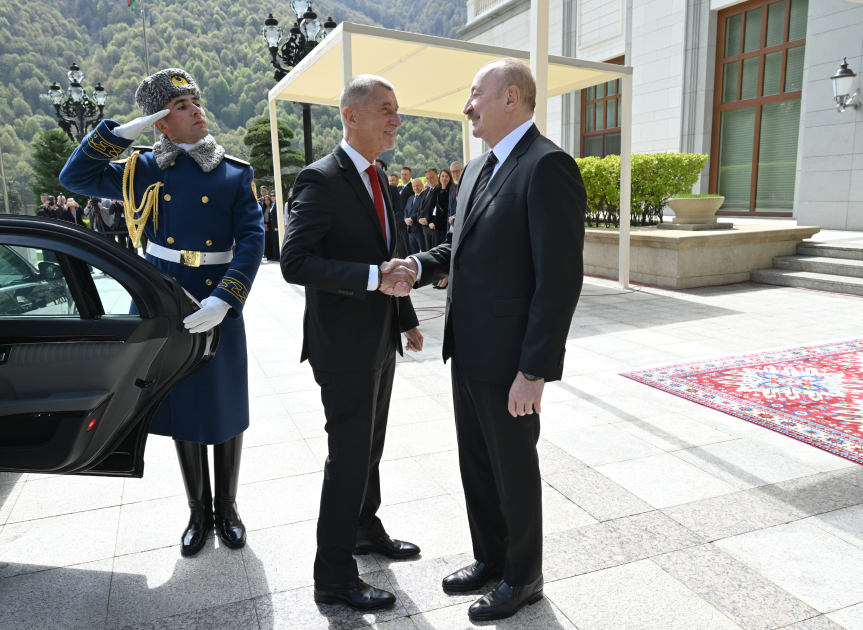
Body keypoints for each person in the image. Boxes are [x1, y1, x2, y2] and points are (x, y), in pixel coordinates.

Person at [383, 58, 586, 621]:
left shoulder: (548, 167)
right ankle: (490, 559)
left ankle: (524, 578)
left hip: (511, 361)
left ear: (511, 99)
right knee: (476, 463)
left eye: (476, 95)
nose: (467, 105)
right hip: (466, 350)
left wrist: (535, 370)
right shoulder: (477, 171)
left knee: (514, 471)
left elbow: (559, 280)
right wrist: (417, 266)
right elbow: (462, 250)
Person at [60, 67, 265, 558]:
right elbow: (75, 176)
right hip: (166, 296)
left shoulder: (235, 172)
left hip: (214, 296)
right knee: (185, 403)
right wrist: (118, 132)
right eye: (181, 106)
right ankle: (198, 510)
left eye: (196, 102)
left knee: (223, 402)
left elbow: (253, 238)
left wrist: (227, 297)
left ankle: (228, 508)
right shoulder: (142, 167)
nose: (197, 111)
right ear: (160, 123)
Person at [281, 74, 424, 612]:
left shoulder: (379, 178)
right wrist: (370, 277)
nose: (396, 119)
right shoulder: (320, 179)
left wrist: (403, 315)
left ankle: (365, 529)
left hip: (379, 338)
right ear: (351, 116)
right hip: (341, 347)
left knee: (371, 448)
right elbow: (296, 262)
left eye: (397, 109)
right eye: (386, 108)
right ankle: (334, 576)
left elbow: (391, 253)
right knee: (348, 457)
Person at [417, 168, 441, 250]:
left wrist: (428, 219)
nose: (429, 180)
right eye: (427, 178)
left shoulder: (439, 191)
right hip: (424, 229)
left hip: (434, 228)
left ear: (437, 177)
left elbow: (437, 209)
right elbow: (420, 209)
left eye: (431, 177)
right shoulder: (425, 192)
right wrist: (419, 219)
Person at [403, 178, 426, 255]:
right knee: (413, 254)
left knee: (423, 252)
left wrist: (412, 219)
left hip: (420, 230)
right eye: (414, 186)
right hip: (410, 230)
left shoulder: (425, 196)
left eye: (417, 186)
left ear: (422, 185)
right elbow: (405, 210)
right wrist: (406, 219)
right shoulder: (410, 198)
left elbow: (423, 211)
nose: (415, 188)